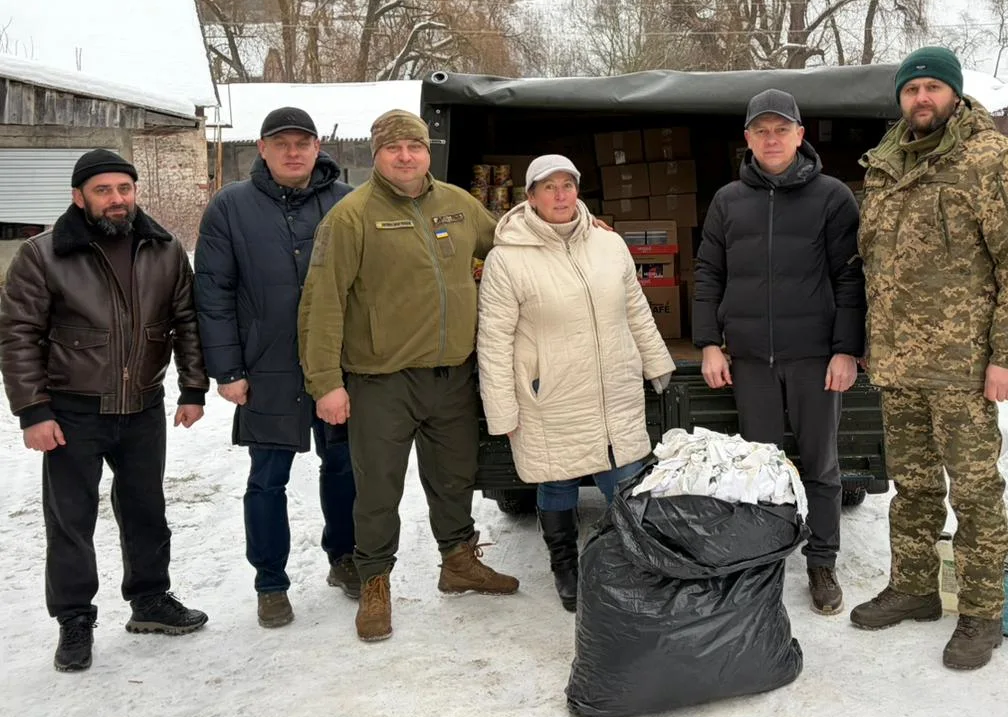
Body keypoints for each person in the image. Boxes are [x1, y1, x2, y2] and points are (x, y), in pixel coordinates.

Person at [850, 47, 1008, 671]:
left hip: (964, 365)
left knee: (976, 489)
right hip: (900, 361)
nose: (922, 99)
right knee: (910, 485)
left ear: (954, 94)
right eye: (912, 89)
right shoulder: (884, 162)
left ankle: (982, 611)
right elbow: (875, 263)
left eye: (933, 87)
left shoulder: (992, 160)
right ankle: (914, 588)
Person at [298, 109, 519, 643]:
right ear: (376, 154)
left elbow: (510, 246)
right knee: (377, 488)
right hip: (381, 380)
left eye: (413, 147)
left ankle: (458, 562)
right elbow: (321, 303)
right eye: (393, 148)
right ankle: (375, 581)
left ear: (426, 151)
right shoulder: (351, 217)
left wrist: (572, 228)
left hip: (450, 375)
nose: (405, 156)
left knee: (454, 475)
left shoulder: (458, 205)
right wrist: (326, 382)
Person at [0, 150, 210, 673]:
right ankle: (74, 620)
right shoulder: (43, 255)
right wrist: (32, 410)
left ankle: (150, 601)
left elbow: (186, 320)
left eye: (124, 188)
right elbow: (18, 335)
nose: (117, 199)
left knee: (146, 508)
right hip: (72, 410)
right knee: (71, 521)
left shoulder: (163, 250)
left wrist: (192, 388)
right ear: (79, 197)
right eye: (103, 190)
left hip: (142, 407)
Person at [476, 154, 676, 612]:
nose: (560, 195)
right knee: (558, 481)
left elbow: (635, 310)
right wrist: (503, 409)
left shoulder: (609, 246)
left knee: (625, 480)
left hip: (613, 387)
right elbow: (493, 340)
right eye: (549, 187)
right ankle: (565, 567)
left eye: (568, 185)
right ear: (530, 197)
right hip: (554, 395)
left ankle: (629, 563)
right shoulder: (508, 259)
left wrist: (656, 363)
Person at [693, 88, 866, 616]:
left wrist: (847, 350)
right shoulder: (728, 200)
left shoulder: (833, 196)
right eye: (761, 130)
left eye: (781, 129)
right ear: (747, 139)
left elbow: (850, 276)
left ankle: (821, 561)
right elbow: (708, 274)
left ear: (800, 135)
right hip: (750, 360)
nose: (772, 139)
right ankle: (764, 561)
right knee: (759, 465)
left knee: (820, 465)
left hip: (814, 357)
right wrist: (707, 344)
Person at [194, 107, 359, 630]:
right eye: (281, 142)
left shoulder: (347, 202)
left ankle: (345, 557)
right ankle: (271, 582)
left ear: (318, 147)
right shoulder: (231, 207)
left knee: (345, 467)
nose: (293, 151)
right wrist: (227, 370)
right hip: (267, 367)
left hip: (335, 365)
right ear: (261, 149)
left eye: (303, 142)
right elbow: (213, 293)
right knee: (267, 479)